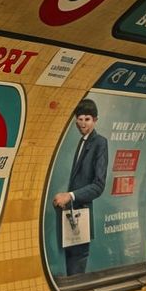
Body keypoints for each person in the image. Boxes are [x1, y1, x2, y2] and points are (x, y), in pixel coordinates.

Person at [52, 98, 110, 276]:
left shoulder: (100, 143)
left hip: (81, 213)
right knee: (71, 261)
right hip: (72, 213)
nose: (83, 123)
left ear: (95, 120)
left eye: (87, 119)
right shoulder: (82, 141)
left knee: (77, 264)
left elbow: (98, 186)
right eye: (80, 119)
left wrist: (70, 195)